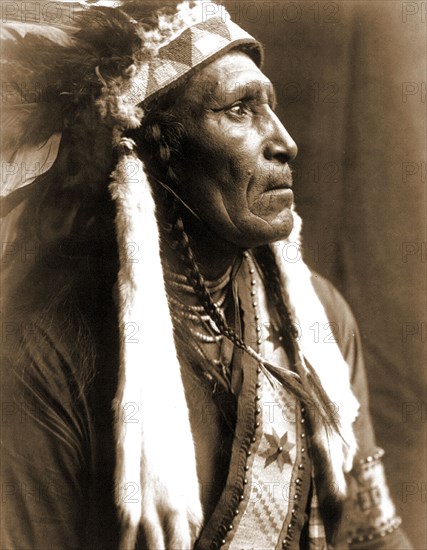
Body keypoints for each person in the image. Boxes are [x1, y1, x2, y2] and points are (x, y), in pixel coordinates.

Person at [0, 1, 413, 548]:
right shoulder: (50, 356)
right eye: (240, 110)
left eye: (272, 106)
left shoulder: (319, 321)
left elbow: (372, 537)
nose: (285, 142)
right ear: (154, 154)